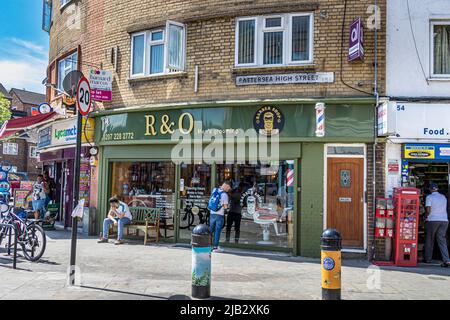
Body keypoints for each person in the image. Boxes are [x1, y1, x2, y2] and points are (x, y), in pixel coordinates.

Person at [424, 183, 450, 267]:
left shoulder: (429, 197)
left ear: (430, 189)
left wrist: (425, 216)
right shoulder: (443, 197)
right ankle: (447, 259)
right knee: (442, 240)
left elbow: (428, 210)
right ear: (437, 189)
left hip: (433, 219)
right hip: (444, 220)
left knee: (430, 239)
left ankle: (428, 259)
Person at [208, 181, 231, 252]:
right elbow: (225, 207)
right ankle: (215, 247)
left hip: (212, 213)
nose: (228, 189)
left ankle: (207, 245)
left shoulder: (215, 190)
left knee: (211, 230)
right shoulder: (224, 195)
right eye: (229, 188)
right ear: (226, 186)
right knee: (217, 231)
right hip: (219, 215)